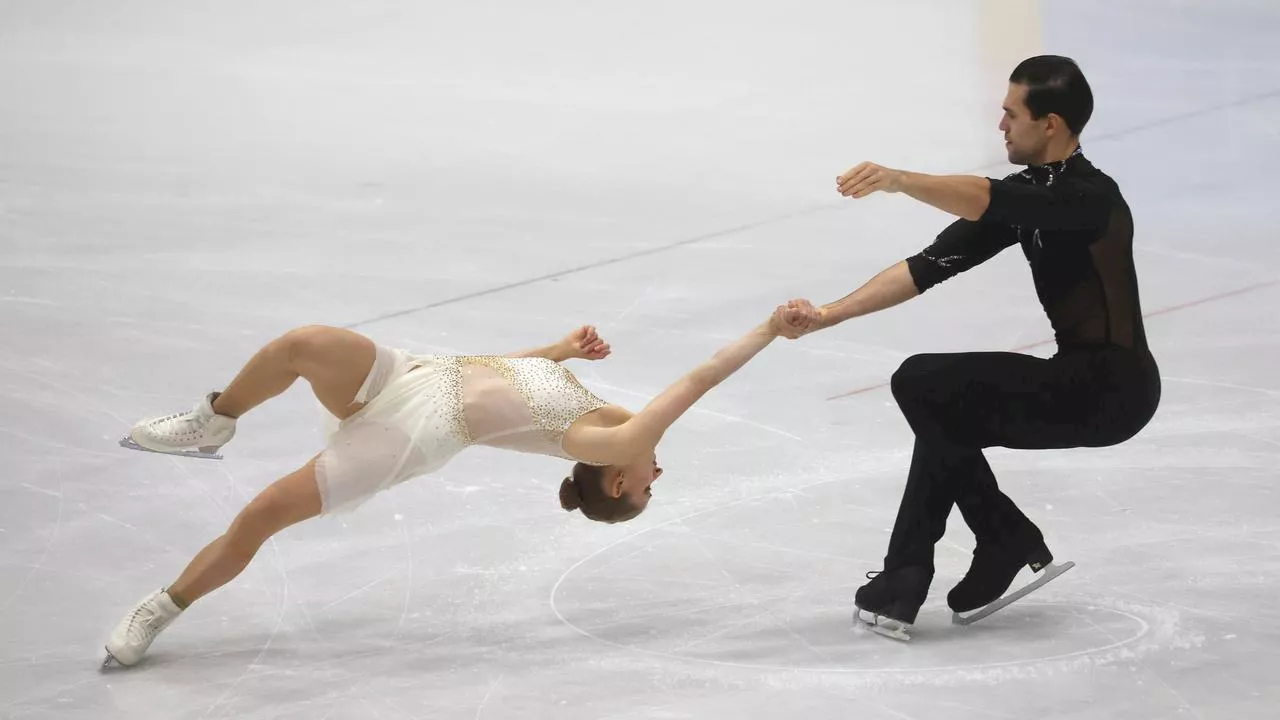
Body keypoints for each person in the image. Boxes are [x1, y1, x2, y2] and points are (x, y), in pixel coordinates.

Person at [103, 316, 789, 667]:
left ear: (618, 478)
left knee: (261, 515)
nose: (655, 476)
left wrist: (768, 329)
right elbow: (508, 382)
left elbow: (701, 378)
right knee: (302, 343)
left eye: (647, 490)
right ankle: (211, 422)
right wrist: (558, 350)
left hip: (414, 431)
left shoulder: (607, 442)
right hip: (417, 372)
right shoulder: (597, 415)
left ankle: (161, 608)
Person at [774, 55, 1161, 640]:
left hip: (1112, 389)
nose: (1000, 125)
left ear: (1049, 123)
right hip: (1079, 381)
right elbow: (929, 266)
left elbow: (993, 202)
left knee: (928, 387)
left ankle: (977, 547)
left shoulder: (1089, 198)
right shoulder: (1031, 193)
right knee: (937, 403)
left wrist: (901, 180)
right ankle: (940, 563)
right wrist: (828, 314)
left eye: (1011, 114)